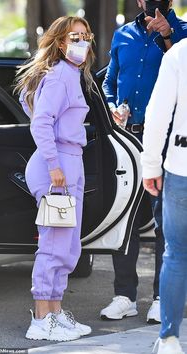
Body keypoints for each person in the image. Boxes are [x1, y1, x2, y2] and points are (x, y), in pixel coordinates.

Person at [101, 0, 187, 324]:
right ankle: (124, 295)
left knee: (166, 221)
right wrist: (111, 105)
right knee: (123, 219)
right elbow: (109, 81)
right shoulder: (122, 34)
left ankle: (161, 296)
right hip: (127, 140)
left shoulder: (183, 34)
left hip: (166, 144)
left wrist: (168, 35)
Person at [14, 16, 95, 342]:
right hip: (57, 165)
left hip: (69, 162)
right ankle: (41, 318)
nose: (82, 41)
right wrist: (54, 165)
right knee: (54, 244)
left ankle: (56, 313)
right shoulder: (61, 75)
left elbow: (30, 105)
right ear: (60, 42)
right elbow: (41, 123)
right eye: (75, 36)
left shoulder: (70, 75)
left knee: (68, 244)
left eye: (85, 36)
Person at [141, 38, 187, 354]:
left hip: (181, 166)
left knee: (176, 254)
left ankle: (169, 338)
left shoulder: (179, 54)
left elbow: (157, 115)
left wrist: (150, 165)